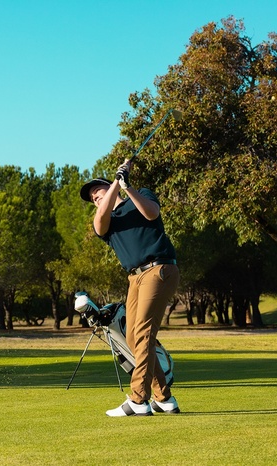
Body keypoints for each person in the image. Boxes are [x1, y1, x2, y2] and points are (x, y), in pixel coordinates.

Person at [80, 160, 180, 417]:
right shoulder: (106, 221)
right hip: (134, 278)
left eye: (98, 192)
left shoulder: (141, 194)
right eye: (93, 199)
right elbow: (99, 222)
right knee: (134, 338)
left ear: (109, 187)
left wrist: (127, 186)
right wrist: (116, 182)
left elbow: (152, 213)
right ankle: (164, 398)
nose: (96, 199)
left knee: (143, 333)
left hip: (158, 269)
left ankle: (138, 399)